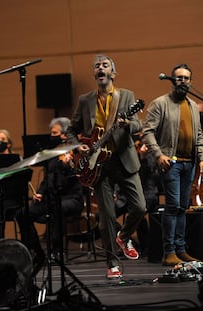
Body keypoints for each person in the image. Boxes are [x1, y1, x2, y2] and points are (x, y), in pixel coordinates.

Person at [66, 54, 146, 279]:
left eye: (105, 65)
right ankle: (112, 263)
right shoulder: (85, 100)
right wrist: (78, 145)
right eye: (97, 66)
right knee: (106, 217)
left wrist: (127, 123)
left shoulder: (127, 96)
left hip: (124, 160)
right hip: (97, 165)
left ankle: (124, 235)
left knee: (140, 207)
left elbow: (138, 124)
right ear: (94, 74)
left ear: (113, 73)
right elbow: (71, 130)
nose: (100, 68)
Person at [142, 63, 203, 266]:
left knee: (182, 207)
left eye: (186, 78)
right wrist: (158, 154)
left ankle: (181, 249)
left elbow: (198, 134)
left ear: (190, 81)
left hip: (190, 163)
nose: (182, 81)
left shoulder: (192, 106)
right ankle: (168, 252)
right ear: (172, 80)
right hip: (170, 163)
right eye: (179, 78)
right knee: (172, 207)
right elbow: (147, 131)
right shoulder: (160, 103)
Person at [28, 117, 84, 263]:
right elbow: (47, 179)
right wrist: (40, 192)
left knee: (57, 207)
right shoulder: (52, 155)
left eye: (55, 133)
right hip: (52, 198)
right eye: (51, 133)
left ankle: (55, 252)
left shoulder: (76, 151)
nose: (51, 136)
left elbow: (79, 178)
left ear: (64, 135)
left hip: (72, 199)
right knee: (24, 213)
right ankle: (36, 251)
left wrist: (67, 167)